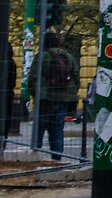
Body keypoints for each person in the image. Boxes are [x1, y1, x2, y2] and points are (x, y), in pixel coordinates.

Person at [29, 28, 80, 158]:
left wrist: (35, 94)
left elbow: (33, 77)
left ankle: (36, 154)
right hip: (63, 99)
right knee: (57, 129)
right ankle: (56, 157)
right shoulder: (68, 56)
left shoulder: (42, 57)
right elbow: (76, 77)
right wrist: (71, 94)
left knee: (39, 128)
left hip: (45, 98)